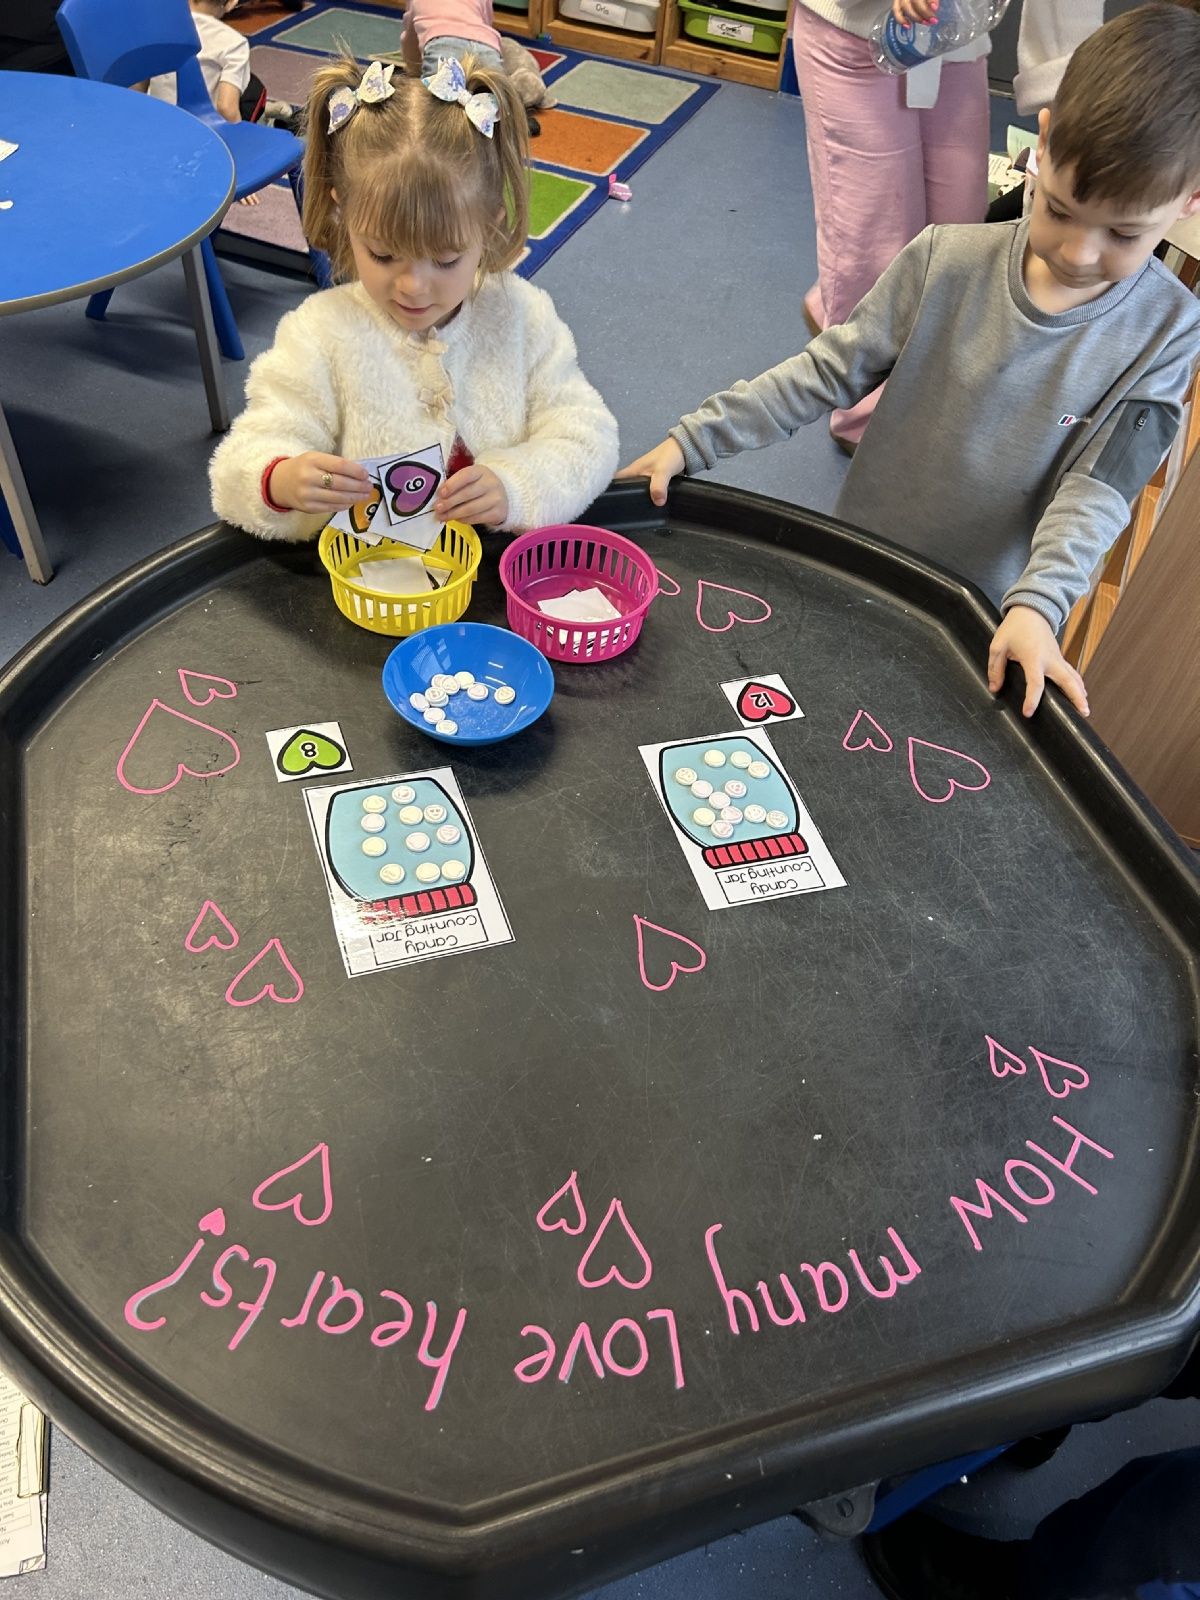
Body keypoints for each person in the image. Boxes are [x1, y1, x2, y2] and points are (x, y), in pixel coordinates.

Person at [617, 3, 1200, 720]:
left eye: (1124, 234)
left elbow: (1098, 487)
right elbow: (822, 373)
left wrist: (1040, 605)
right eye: (1059, 209)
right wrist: (694, 440)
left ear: (1190, 201)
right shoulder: (943, 260)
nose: (1078, 254)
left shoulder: (1170, 330)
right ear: (1043, 140)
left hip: (985, 614)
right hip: (865, 560)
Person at [209, 55, 618, 541]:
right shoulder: (318, 333)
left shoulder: (521, 316)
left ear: (489, 226)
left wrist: (517, 485)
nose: (413, 287)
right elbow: (242, 459)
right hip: (365, 574)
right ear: (343, 214)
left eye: (445, 260)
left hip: (500, 571)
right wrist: (279, 480)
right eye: (382, 255)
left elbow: (587, 434)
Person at [791, 0, 993, 452]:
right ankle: (862, 415)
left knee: (960, 241)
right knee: (876, 244)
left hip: (957, 36)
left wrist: (1067, 89)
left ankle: (835, 311)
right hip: (852, 33)